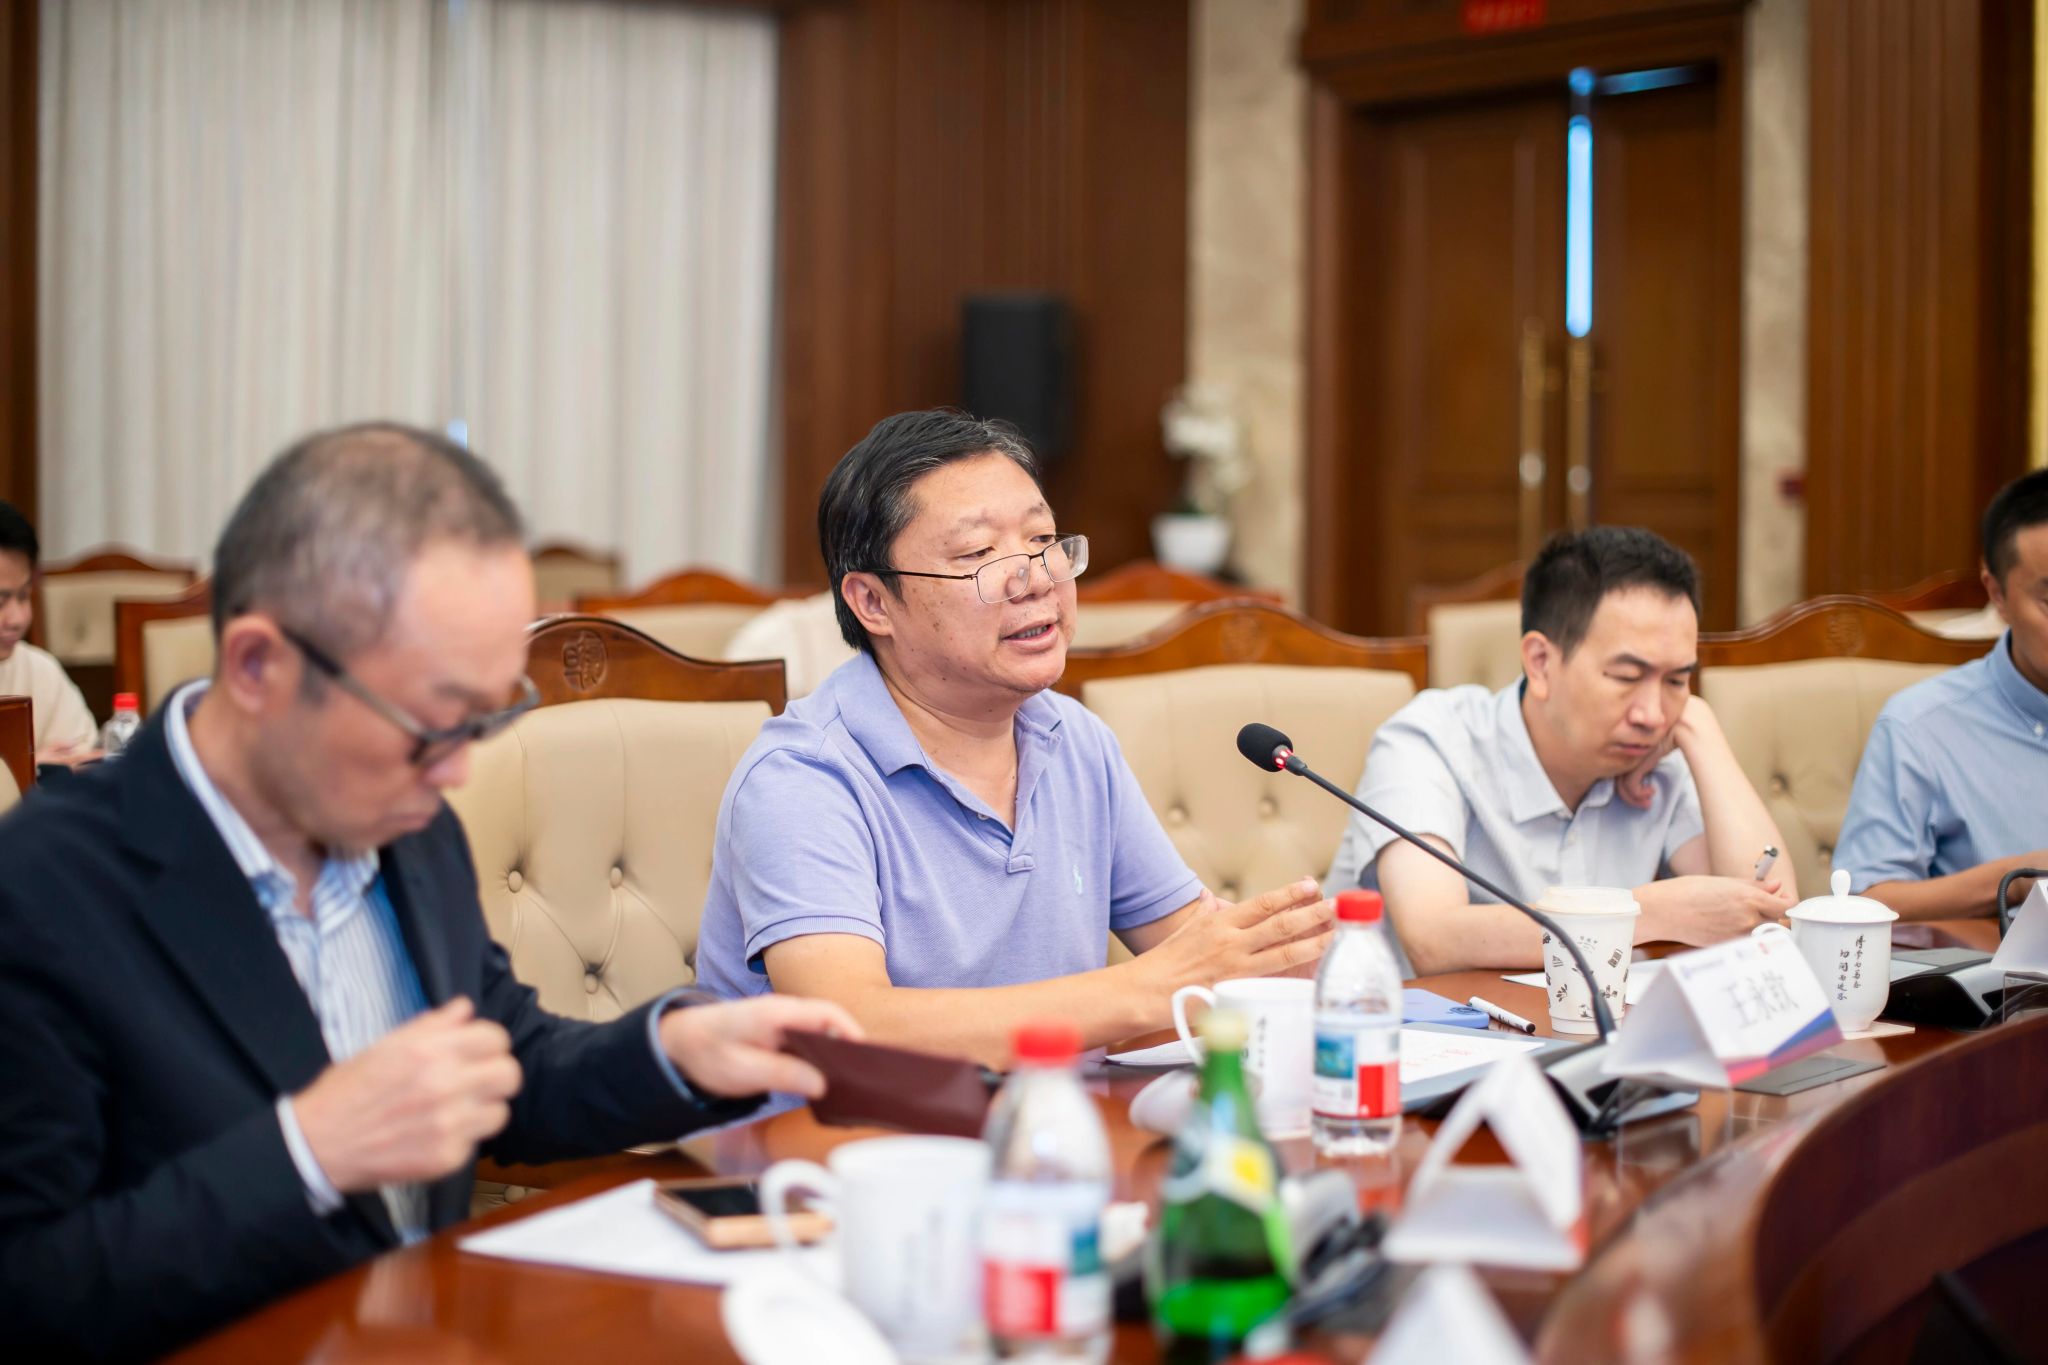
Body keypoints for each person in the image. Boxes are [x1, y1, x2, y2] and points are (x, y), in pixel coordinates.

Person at [0, 424, 859, 1361]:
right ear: (256, 666)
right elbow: (29, 1287)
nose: (457, 771)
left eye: (486, 719)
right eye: (431, 724)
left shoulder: (404, 818)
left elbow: (505, 1062)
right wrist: (307, 1151)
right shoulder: (44, 888)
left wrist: (675, 1050)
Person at [693, 410, 1334, 1066]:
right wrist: (1150, 987)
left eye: (1043, 539)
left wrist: (1311, 954)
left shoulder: (1074, 738)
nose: (1037, 577)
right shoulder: (802, 777)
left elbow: (1198, 948)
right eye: (978, 554)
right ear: (873, 603)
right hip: (839, 1130)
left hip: (1055, 1120)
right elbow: (849, 1025)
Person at [1324, 527, 1797, 974]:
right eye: (1627, 677)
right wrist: (1646, 912)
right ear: (1541, 662)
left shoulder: (1665, 749)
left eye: (1676, 680)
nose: (1652, 714)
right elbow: (1434, 939)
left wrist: (1699, 726)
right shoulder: (1429, 740)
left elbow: (1772, 920)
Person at [1835, 470, 2048, 920]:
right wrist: (2016, 879)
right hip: (2000, 966)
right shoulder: (1920, 726)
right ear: (1997, 594)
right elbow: (1863, 902)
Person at [0, 500, 100, 765]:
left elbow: (84, 760)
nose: (18, 618)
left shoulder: (39, 670)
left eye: (24, 596)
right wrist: (26, 771)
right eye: (0, 601)